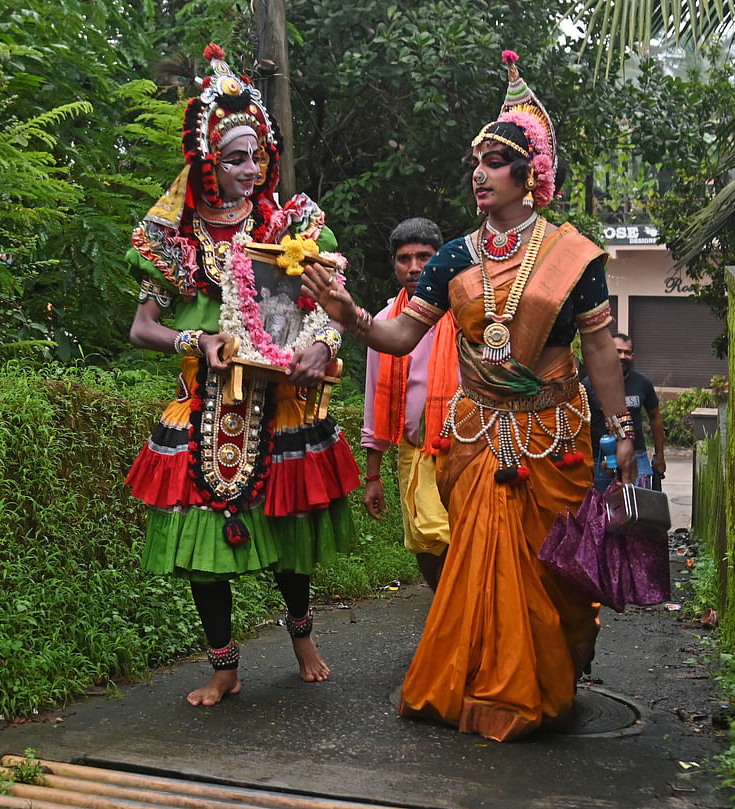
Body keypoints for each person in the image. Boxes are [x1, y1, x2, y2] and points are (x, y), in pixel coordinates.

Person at [301, 50, 638, 741]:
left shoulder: (574, 257)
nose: (478, 174)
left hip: (552, 435)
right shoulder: (454, 256)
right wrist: (350, 314)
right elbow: (399, 336)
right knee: (477, 568)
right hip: (478, 438)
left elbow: (600, 350)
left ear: (530, 174)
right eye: (476, 163)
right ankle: (478, 686)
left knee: (554, 575)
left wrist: (623, 428)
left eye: (494, 160)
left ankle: (544, 680)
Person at [125, 44, 359, 708]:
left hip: (281, 403)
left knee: (290, 533)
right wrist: (192, 337)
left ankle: (302, 635)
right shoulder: (179, 238)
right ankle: (224, 666)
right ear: (207, 163)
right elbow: (142, 327)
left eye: (256, 156)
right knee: (202, 546)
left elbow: (329, 305)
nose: (249, 170)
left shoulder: (288, 226)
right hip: (204, 403)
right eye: (234, 158)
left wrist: (324, 342)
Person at [361, 218, 458, 589]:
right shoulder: (385, 322)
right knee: (425, 539)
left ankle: (461, 619)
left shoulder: (466, 313)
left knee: (466, 536)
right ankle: (446, 613)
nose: (414, 267)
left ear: (442, 260)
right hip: (416, 450)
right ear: (394, 263)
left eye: (424, 257)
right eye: (404, 258)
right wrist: (372, 476)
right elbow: (374, 399)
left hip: (469, 448)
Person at [583, 333, 666, 491]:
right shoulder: (590, 384)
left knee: (639, 509)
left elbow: (655, 417)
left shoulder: (643, 383)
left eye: (627, 353)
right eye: (618, 351)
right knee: (602, 510)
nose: (623, 356)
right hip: (601, 460)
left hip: (636, 457)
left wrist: (660, 455)